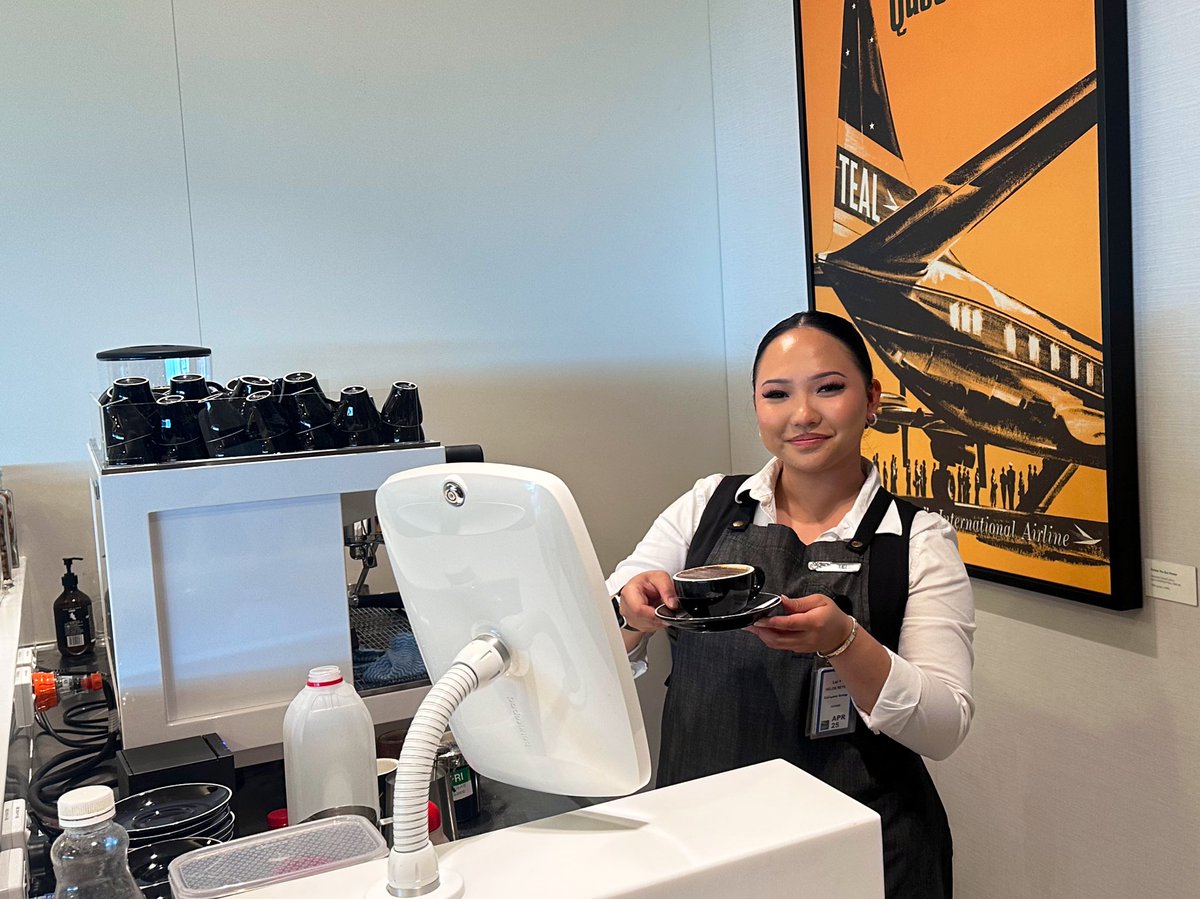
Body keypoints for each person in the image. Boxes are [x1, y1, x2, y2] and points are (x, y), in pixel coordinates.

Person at [609, 311, 975, 898]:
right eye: (776, 394)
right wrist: (631, 612)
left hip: (862, 852)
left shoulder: (917, 539)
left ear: (872, 398)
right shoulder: (706, 506)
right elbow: (600, 637)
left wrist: (846, 643)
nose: (802, 415)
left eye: (829, 388)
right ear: (757, 407)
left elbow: (943, 727)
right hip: (703, 839)